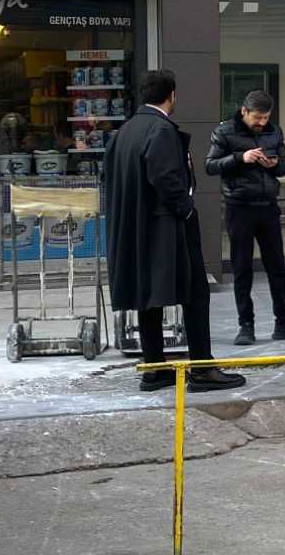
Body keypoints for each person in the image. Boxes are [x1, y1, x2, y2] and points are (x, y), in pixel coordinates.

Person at [101, 70, 243, 392]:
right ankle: (202, 369)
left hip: (135, 229)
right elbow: (166, 178)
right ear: (171, 95)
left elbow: (110, 178)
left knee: (149, 298)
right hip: (166, 229)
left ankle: (155, 369)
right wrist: (186, 208)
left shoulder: (125, 131)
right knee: (196, 294)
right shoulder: (161, 130)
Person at [205, 91, 285, 347]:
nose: (262, 122)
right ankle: (246, 325)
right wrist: (240, 158)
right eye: (257, 117)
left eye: (265, 117)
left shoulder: (274, 132)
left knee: (277, 267)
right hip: (239, 207)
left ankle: (284, 323)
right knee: (242, 268)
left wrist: (273, 164)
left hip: (268, 206)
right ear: (244, 111)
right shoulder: (224, 132)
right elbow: (210, 165)